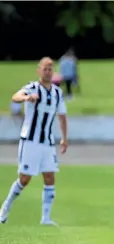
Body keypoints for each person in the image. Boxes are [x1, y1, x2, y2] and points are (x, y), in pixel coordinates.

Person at [0, 57, 69, 225]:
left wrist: (64, 138)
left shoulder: (57, 93)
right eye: (45, 68)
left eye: (50, 68)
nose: (48, 71)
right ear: (39, 70)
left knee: (50, 177)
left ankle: (45, 218)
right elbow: (15, 96)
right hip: (30, 141)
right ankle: (5, 208)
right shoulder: (32, 88)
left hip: (47, 142)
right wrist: (26, 98)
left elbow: (62, 117)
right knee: (24, 179)